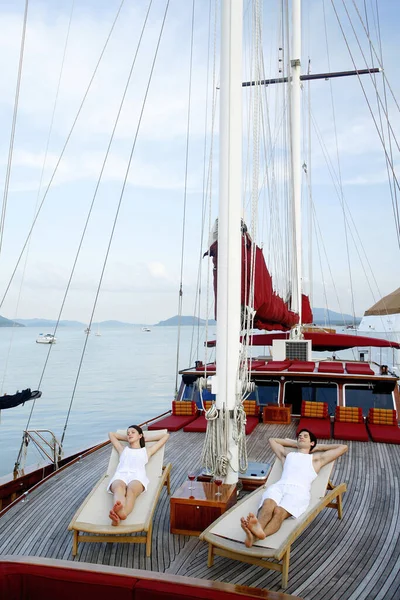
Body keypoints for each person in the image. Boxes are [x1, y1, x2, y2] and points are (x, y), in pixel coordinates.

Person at [240, 430, 348, 547]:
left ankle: (257, 535)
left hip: (298, 491)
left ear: (312, 443)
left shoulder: (316, 459)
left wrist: (318, 447)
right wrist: (296, 444)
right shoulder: (287, 456)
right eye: (299, 436)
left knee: (279, 512)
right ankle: (256, 531)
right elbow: (272, 440)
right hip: (279, 486)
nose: (301, 437)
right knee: (268, 505)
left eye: (305, 436)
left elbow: (343, 447)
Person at [107, 425, 169, 526]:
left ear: (140, 435)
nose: (129, 434)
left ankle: (122, 513)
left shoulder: (147, 451)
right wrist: (129, 438)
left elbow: (166, 436)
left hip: (137, 476)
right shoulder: (122, 449)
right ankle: (119, 513)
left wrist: (144, 437)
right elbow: (111, 434)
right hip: (121, 475)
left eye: (132, 432)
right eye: (128, 433)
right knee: (118, 488)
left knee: (131, 491)